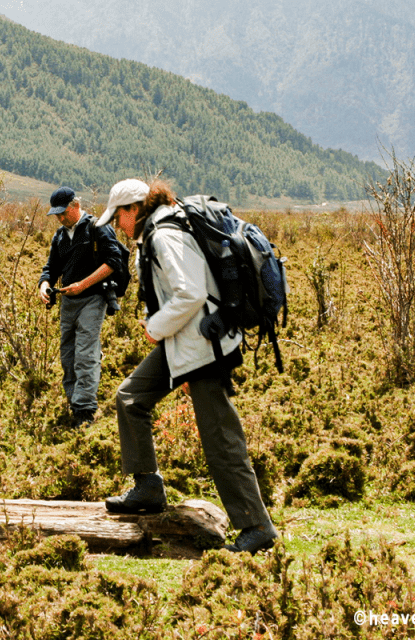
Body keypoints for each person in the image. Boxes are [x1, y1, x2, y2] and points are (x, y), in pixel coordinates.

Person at [95, 178, 279, 554]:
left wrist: (157, 327)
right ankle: (147, 487)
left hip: (204, 346)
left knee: (220, 438)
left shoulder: (164, 235)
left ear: (134, 210)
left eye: (118, 218)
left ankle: (256, 526)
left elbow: (191, 292)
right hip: (187, 342)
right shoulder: (160, 230)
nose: (118, 226)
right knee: (131, 397)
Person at [38, 186, 125, 426]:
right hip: (68, 301)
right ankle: (74, 401)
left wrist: (83, 285)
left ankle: (85, 410)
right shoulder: (60, 236)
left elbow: (113, 261)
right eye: (56, 214)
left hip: (93, 298)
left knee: (85, 353)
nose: (60, 217)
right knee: (68, 354)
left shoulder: (97, 227)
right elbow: (51, 268)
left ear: (76, 206)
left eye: (63, 212)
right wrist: (44, 285)